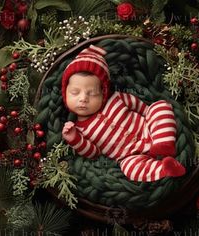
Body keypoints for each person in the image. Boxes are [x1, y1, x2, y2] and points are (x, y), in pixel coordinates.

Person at [61, 44, 186, 182]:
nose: (83, 98)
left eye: (92, 93)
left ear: (104, 92)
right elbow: (93, 153)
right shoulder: (80, 129)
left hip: (149, 130)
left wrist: (149, 114)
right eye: (75, 92)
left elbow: (136, 104)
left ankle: (164, 144)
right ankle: (164, 168)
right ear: (65, 93)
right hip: (129, 156)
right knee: (130, 170)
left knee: (160, 106)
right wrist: (74, 138)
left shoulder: (116, 98)